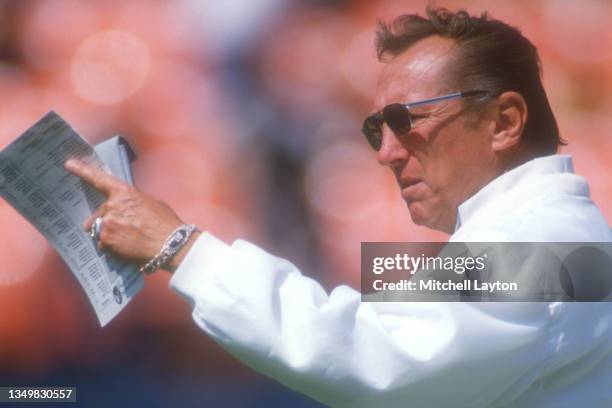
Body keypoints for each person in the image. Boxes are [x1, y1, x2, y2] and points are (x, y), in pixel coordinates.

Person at [65, 7, 612, 407]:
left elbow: (373, 358)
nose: (385, 153)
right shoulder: (552, 237)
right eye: (376, 127)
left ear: (505, 122)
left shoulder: (546, 249)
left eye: (406, 119)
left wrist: (182, 249)